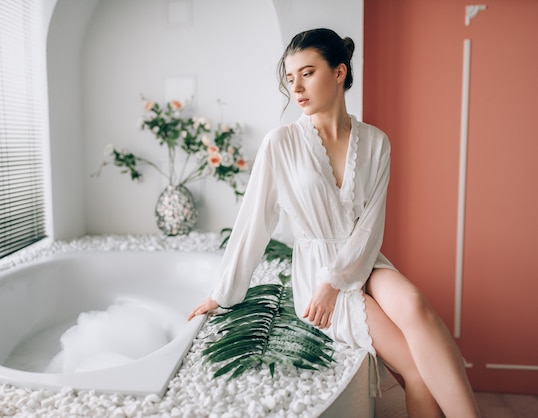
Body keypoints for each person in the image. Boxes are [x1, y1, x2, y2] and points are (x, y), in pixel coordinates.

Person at [188, 28, 480, 417]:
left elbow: (371, 226)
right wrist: (223, 293)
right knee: (417, 370)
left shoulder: (376, 142)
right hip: (317, 272)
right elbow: (252, 223)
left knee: (412, 302)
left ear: (339, 72)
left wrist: (338, 278)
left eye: (307, 73)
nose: (297, 88)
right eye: (290, 79)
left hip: (363, 258)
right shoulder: (281, 144)